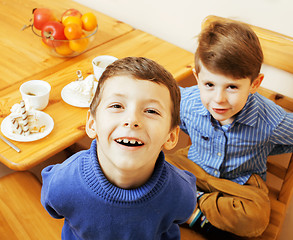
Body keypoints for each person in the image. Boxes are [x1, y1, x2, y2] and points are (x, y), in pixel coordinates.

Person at [41, 57, 197, 240]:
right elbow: (53, 206)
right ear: (92, 124)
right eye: (117, 106)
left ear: (171, 137)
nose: (131, 120)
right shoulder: (62, 184)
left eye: (151, 111)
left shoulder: (181, 192)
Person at [166, 18, 293, 238]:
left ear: (254, 84)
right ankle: (198, 214)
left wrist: (267, 144)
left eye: (232, 87)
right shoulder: (188, 102)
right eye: (209, 85)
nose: (219, 99)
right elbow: (161, 99)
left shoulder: (269, 119)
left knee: (256, 218)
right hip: (193, 167)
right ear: (197, 78)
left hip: (239, 184)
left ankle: (189, 206)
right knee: (148, 165)